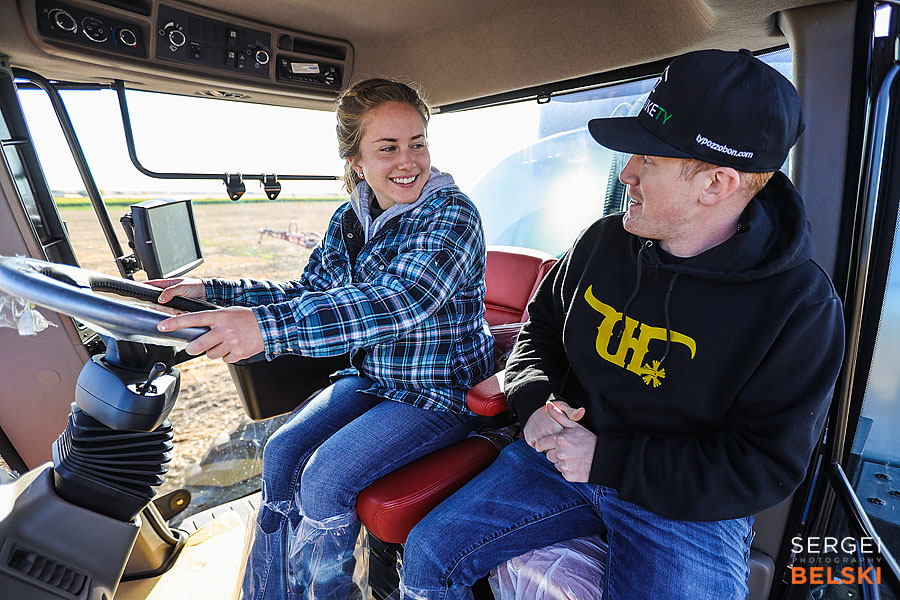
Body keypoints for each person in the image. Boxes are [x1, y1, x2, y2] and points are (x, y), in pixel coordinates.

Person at [399, 49, 845, 600]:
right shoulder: (603, 242)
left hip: (683, 505)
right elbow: (540, 330)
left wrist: (608, 460)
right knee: (428, 555)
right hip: (555, 460)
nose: (626, 172)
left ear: (716, 184)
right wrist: (535, 401)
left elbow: (762, 466)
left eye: (649, 160)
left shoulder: (800, 306)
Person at [151, 78, 494, 600]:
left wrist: (265, 328)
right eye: (388, 148)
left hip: (439, 392)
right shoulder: (351, 219)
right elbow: (309, 291)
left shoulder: (452, 214)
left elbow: (398, 301)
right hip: (373, 378)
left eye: (417, 143)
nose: (408, 161)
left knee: (325, 479)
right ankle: (271, 593)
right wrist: (211, 292)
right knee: (281, 451)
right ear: (356, 161)